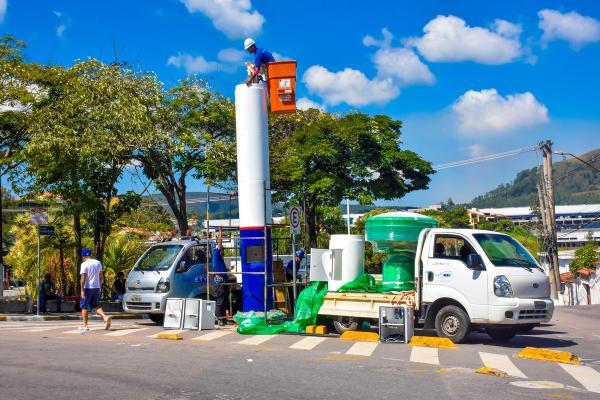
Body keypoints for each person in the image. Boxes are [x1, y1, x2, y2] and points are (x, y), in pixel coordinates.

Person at [79, 248, 112, 332]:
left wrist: (82, 290)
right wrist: (99, 286)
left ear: (83, 255)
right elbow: (101, 276)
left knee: (84, 306)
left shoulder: (84, 264)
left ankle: (85, 326)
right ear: (90, 254)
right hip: (96, 287)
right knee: (95, 305)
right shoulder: (98, 263)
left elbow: (83, 278)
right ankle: (105, 317)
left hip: (87, 288)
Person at [211, 226, 228, 326]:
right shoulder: (216, 254)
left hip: (223, 281)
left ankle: (223, 319)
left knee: (224, 300)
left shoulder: (219, 259)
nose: (223, 251)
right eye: (223, 250)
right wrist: (220, 231)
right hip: (219, 282)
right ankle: (218, 319)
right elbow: (220, 242)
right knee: (220, 301)